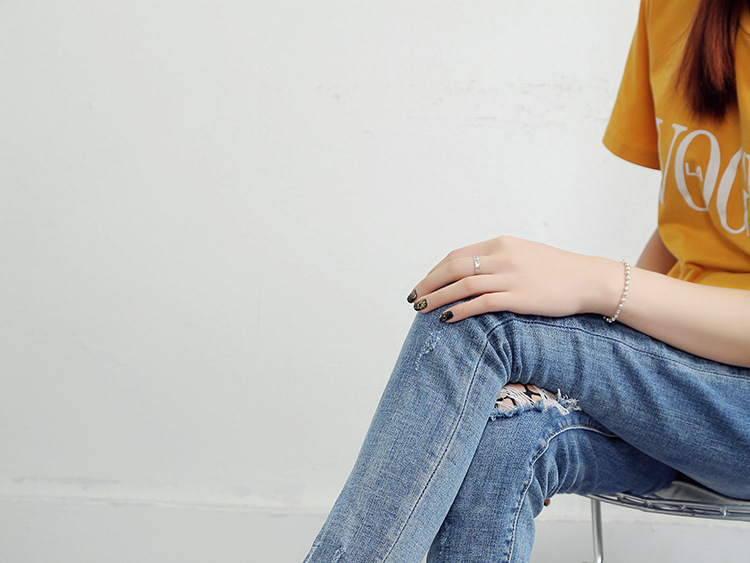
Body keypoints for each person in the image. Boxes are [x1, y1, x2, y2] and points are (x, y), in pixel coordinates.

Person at [303, 0, 750, 560]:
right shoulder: (675, 9)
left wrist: (597, 286)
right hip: (689, 395)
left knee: (485, 316)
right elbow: (692, 217)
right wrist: (597, 363)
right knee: (504, 426)